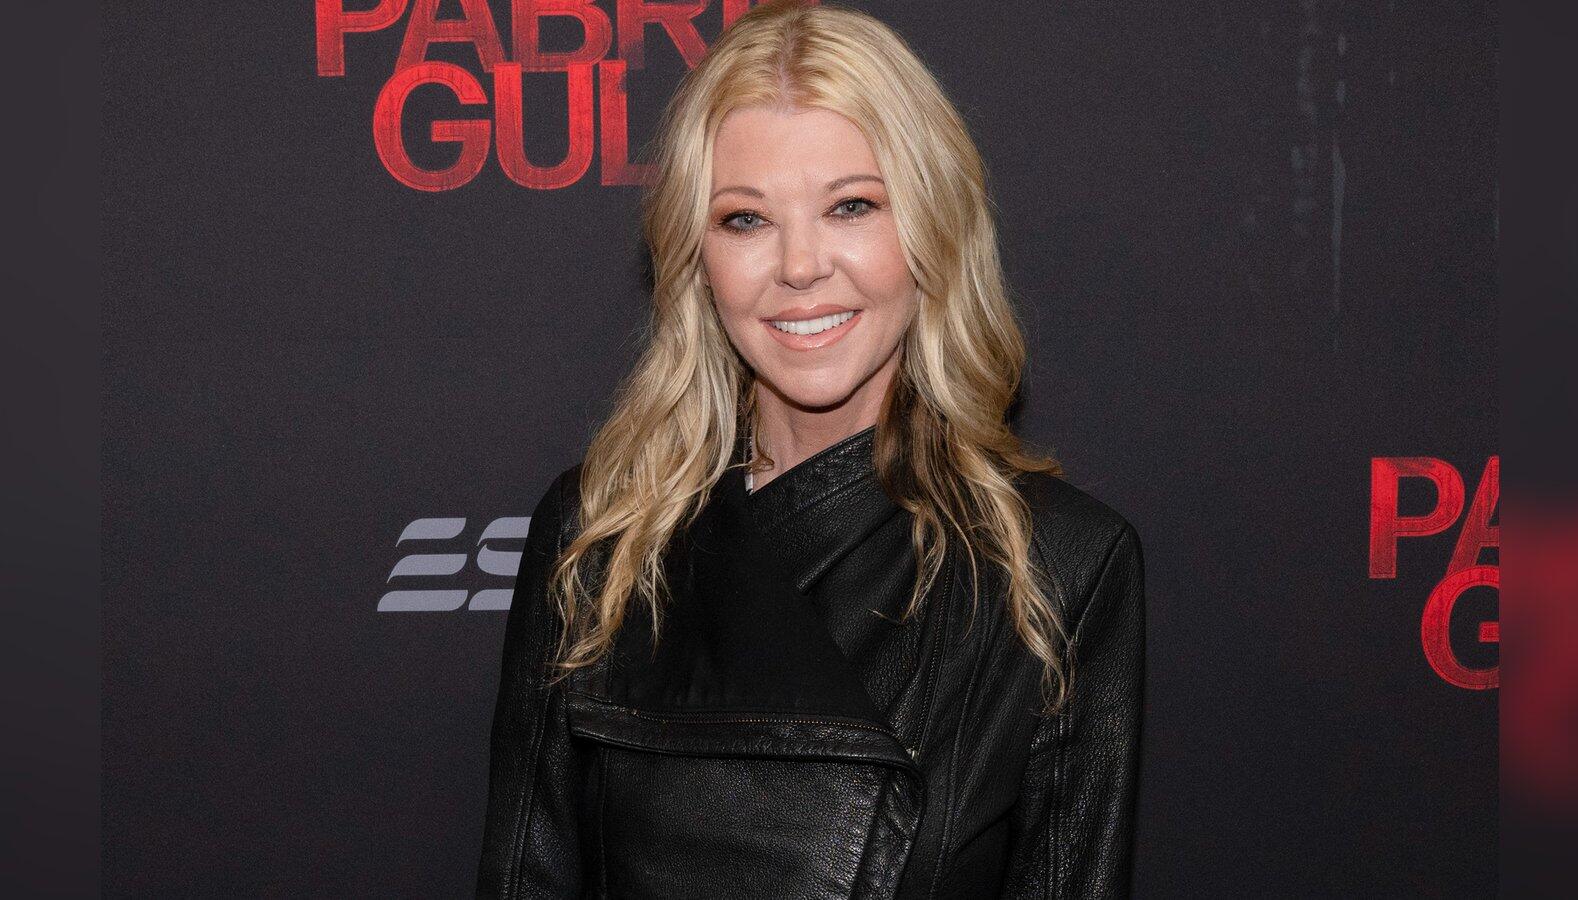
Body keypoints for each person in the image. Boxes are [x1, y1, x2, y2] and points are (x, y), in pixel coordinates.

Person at [476, 2, 1145, 897]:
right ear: (696, 259)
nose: (799, 266)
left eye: (851, 207)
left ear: (932, 227)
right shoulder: (599, 535)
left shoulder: (1059, 567)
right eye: (745, 220)